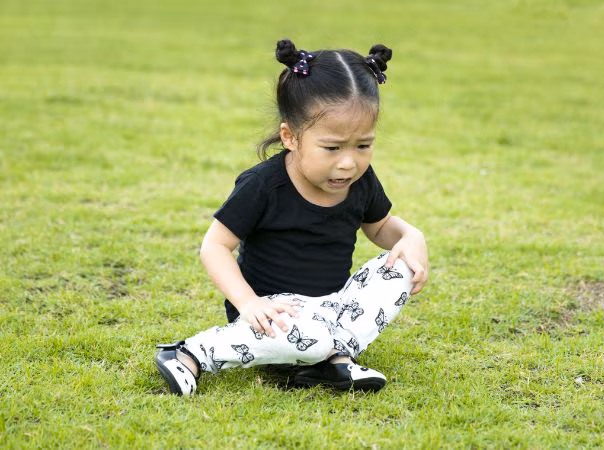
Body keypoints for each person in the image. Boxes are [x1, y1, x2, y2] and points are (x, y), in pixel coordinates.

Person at [154, 39, 428, 396]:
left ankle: (331, 360)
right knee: (309, 339)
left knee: (401, 268)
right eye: (332, 148)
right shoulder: (263, 185)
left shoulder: (360, 181)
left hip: (332, 308)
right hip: (273, 315)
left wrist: (411, 237)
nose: (348, 162)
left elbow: (380, 227)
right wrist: (249, 303)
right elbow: (215, 246)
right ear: (291, 137)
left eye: (363, 145)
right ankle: (189, 354)